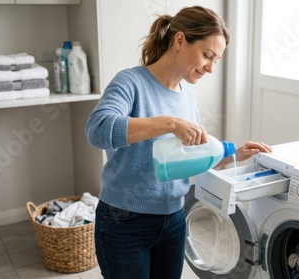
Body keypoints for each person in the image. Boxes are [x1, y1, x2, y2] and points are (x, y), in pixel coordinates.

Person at [85, 6, 272, 279]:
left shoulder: (188, 98)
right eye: (207, 55)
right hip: (124, 219)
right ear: (180, 40)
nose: (210, 67)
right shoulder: (130, 82)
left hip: (173, 217)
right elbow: (97, 130)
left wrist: (235, 154)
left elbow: (188, 158)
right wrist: (170, 123)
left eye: (216, 60)